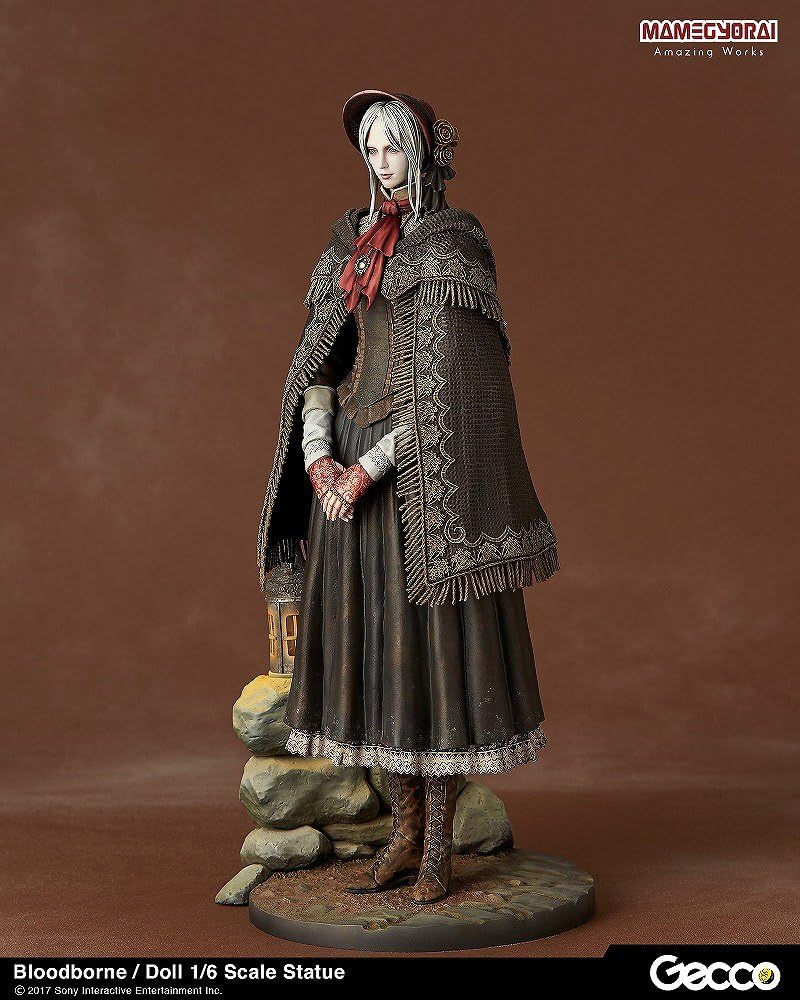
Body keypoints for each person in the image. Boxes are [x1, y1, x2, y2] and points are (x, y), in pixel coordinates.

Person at [257, 90, 559, 903]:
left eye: (392, 146)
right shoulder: (346, 245)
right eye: (369, 147)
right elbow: (323, 365)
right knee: (378, 657)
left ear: (422, 152)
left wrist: (365, 471)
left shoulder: (455, 245)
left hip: (424, 488)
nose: (379, 161)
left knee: (430, 663)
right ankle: (400, 833)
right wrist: (319, 460)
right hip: (348, 481)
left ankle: (435, 852)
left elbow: (455, 393)